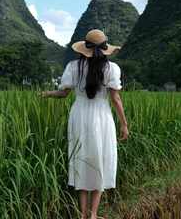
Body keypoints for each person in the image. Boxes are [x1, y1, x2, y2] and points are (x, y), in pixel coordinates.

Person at [41, 29, 129, 219]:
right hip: (102, 116)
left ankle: (82, 215)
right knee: (100, 158)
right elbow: (116, 99)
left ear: (84, 49)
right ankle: (93, 214)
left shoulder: (73, 67)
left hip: (79, 115)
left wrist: (47, 94)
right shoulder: (111, 69)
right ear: (105, 49)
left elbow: (63, 94)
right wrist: (124, 124)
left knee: (82, 159)